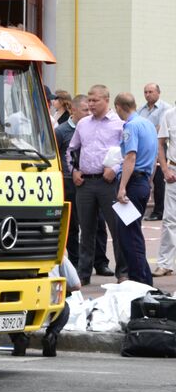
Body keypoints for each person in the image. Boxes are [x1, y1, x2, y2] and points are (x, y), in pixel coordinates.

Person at [69, 84, 126, 284]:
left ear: (106, 100)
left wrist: (116, 169)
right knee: (86, 230)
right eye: (89, 101)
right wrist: (73, 170)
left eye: (95, 101)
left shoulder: (119, 124)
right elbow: (71, 150)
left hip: (108, 183)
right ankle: (84, 274)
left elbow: (127, 153)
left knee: (117, 228)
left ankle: (123, 273)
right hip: (85, 183)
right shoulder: (83, 124)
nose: (90, 104)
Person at [115, 91, 157, 286]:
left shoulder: (130, 126)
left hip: (132, 183)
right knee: (134, 233)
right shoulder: (147, 124)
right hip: (143, 180)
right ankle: (143, 279)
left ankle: (140, 281)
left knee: (129, 236)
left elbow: (130, 157)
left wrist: (122, 187)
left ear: (118, 107)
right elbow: (154, 154)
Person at [56, 92, 83, 262]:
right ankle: (75, 261)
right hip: (67, 180)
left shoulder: (89, 128)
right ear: (73, 110)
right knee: (72, 225)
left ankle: (100, 261)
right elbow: (57, 154)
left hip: (87, 180)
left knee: (94, 224)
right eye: (85, 109)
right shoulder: (61, 131)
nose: (89, 113)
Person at [139, 83, 169, 220]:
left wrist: (145, 133)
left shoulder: (165, 109)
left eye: (151, 91)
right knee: (144, 179)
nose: (147, 94)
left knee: (158, 181)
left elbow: (161, 127)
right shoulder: (141, 110)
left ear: (158, 92)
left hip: (159, 147)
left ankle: (159, 211)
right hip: (143, 148)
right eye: (145, 92)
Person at [156, 101, 176, 276]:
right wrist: (164, 169)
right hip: (174, 172)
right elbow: (160, 143)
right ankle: (165, 263)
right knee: (169, 219)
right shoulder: (170, 114)